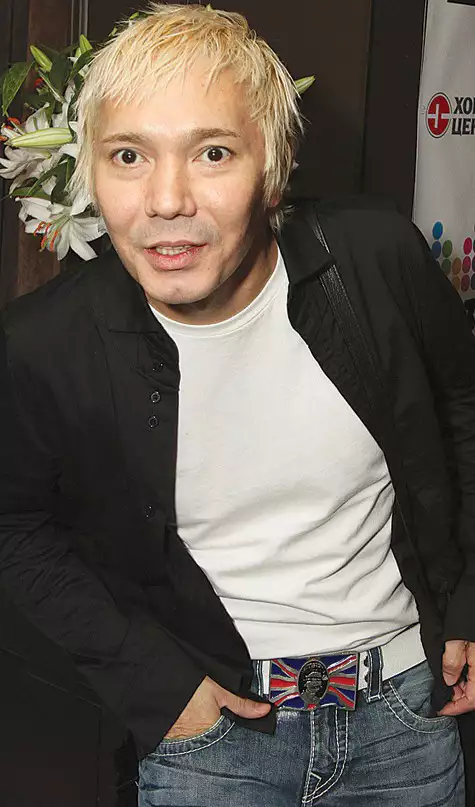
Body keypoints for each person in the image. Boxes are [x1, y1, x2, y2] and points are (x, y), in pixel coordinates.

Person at [0, 4, 474, 805]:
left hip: (406, 713)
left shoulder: (374, 258)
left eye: (212, 152)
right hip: (211, 737)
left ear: (273, 169)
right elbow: (15, 525)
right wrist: (156, 683)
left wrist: (467, 600)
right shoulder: (46, 341)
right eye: (128, 155)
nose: (166, 199)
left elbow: (460, 412)